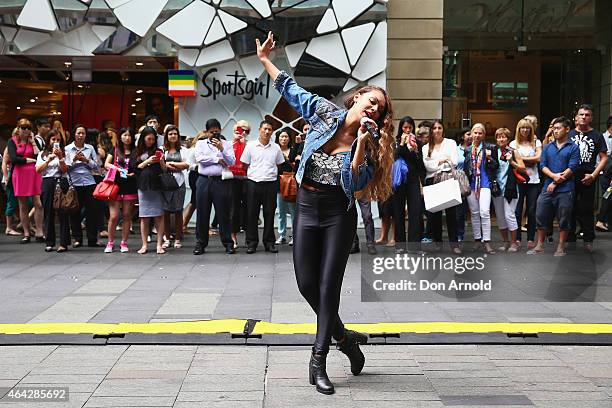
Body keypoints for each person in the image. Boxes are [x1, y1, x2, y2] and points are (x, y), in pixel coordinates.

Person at [257, 31, 394, 395]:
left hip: (338, 214)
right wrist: (265, 59)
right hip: (306, 206)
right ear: (358, 96)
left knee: (328, 285)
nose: (374, 108)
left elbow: (357, 181)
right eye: (371, 100)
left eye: (380, 108)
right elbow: (291, 89)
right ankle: (346, 339)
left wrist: (363, 144)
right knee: (306, 285)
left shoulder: (372, 144)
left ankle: (318, 360)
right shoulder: (322, 113)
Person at [528, 117, 580, 256]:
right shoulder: (548, 147)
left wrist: (556, 182)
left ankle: (561, 246)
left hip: (565, 189)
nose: (555, 131)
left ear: (567, 129)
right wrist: (553, 177)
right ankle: (540, 245)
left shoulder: (573, 147)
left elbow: (572, 167)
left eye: (558, 128)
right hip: (547, 187)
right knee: (540, 214)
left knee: (564, 218)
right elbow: (542, 165)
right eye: (554, 128)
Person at [567, 104, 608, 252]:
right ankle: (569, 237)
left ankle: (588, 239)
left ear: (591, 118)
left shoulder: (597, 135)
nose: (584, 117)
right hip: (570, 175)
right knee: (568, 207)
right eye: (581, 114)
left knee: (586, 208)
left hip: (588, 175)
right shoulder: (569, 134)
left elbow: (604, 157)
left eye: (587, 115)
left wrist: (594, 175)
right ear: (576, 117)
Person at [241, 120, 285, 254]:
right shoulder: (250, 146)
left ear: (272, 132)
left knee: (269, 213)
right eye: (265, 129)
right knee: (251, 214)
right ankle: (252, 243)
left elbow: (280, 164)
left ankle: (269, 242)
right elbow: (244, 164)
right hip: (253, 183)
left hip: (270, 184)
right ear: (259, 130)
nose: (267, 132)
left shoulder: (276, 147)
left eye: (269, 129)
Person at [193, 124, 235, 255]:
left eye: (217, 131)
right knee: (202, 213)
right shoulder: (200, 144)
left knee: (223, 213)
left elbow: (231, 161)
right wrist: (217, 159)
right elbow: (200, 159)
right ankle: (200, 244)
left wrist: (222, 149)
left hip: (220, 181)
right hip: (204, 180)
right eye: (212, 132)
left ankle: (228, 243)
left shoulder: (226, 144)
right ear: (206, 132)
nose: (215, 134)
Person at [422, 120, 461, 253]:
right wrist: (442, 160)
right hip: (432, 181)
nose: (437, 130)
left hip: (447, 179)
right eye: (434, 128)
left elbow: (454, 161)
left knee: (451, 214)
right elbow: (427, 166)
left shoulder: (451, 143)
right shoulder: (425, 147)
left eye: (439, 128)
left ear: (443, 129)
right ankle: (438, 243)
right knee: (434, 215)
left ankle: (454, 245)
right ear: (431, 131)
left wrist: (435, 163)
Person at [464, 122, 499, 254]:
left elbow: (496, 167)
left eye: (480, 133)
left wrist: (489, 158)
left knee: (484, 212)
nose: (477, 135)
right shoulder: (467, 150)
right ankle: (477, 240)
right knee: (474, 213)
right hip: (471, 184)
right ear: (471, 134)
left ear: (484, 135)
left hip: (485, 183)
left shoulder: (490, 147)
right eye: (475, 133)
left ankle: (487, 241)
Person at [64, 124, 101, 248]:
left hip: (89, 182)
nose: (80, 135)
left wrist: (86, 160)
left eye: (83, 133)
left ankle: (92, 239)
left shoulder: (90, 148)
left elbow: (96, 166)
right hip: (74, 183)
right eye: (78, 133)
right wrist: (74, 160)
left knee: (92, 211)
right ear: (74, 134)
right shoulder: (68, 149)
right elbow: (65, 168)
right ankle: (77, 239)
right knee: (75, 211)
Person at [392, 116, 425, 254]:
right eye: (405, 127)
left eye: (410, 127)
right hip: (399, 179)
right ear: (401, 128)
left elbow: (419, 165)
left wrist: (415, 150)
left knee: (415, 212)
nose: (407, 130)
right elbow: (394, 156)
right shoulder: (395, 141)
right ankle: (400, 245)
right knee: (398, 212)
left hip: (412, 179)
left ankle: (414, 246)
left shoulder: (417, 143)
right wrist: (402, 144)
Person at [8, 118, 44, 243]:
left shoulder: (33, 141)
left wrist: (33, 141)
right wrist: (29, 160)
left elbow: (39, 155)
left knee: (38, 204)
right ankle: (27, 233)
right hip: (20, 174)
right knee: (23, 205)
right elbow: (14, 158)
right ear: (18, 128)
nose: (26, 130)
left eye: (28, 127)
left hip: (34, 174)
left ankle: (39, 232)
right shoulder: (12, 141)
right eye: (23, 127)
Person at [104, 127, 138, 253]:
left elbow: (139, 166)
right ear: (120, 136)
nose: (127, 138)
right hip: (115, 186)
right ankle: (110, 242)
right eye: (124, 135)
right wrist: (116, 169)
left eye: (129, 135)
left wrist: (134, 174)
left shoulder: (136, 151)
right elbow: (106, 164)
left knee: (127, 216)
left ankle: (124, 242)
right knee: (113, 216)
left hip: (130, 186)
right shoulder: (114, 150)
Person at [36, 130, 70, 252]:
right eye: (53, 139)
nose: (56, 142)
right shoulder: (42, 154)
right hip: (47, 182)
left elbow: (65, 169)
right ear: (48, 140)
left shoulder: (65, 153)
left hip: (61, 181)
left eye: (58, 140)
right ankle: (49, 242)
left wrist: (60, 157)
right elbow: (38, 170)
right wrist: (48, 160)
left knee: (63, 212)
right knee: (48, 212)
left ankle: (63, 243)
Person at [492, 127, 525, 252]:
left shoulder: (513, 152)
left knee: (509, 215)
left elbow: (523, 168)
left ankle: (514, 242)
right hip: (497, 188)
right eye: (499, 137)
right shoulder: (493, 151)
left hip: (510, 188)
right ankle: (505, 241)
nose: (501, 139)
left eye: (504, 136)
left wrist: (512, 162)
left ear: (508, 139)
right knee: (500, 217)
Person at [510, 118, 542, 248]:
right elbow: (513, 162)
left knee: (532, 210)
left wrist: (521, 159)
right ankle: (517, 237)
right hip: (518, 180)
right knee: (517, 210)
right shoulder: (513, 144)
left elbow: (539, 158)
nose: (525, 130)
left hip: (534, 180)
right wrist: (530, 161)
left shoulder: (536, 142)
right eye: (522, 127)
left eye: (527, 128)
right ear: (518, 129)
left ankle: (530, 238)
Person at [135, 126, 166, 254]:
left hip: (157, 185)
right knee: (144, 216)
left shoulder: (158, 150)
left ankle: (159, 244)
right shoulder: (137, 151)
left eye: (153, 139)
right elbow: (135, 168)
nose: (151, 141)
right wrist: (147, 161)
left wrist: (161, 161)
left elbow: (164, 169)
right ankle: (144, 244)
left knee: (159, 215)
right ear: (143, 138)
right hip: (143, 186)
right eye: (149, 139)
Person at [161, 125, 189, 249]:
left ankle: (177, 238)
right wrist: (175, 165)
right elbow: (161, 166)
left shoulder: (183, 149)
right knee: (165, 211)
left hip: (179, 183)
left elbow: (186, 165)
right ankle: (167, 238)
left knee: (178, 211)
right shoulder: (162, 150)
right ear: (166, 136)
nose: (173, 136)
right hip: (165, 183)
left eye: (175, 134)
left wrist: (169, 164)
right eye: (170, 134)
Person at [183, 130, 209, 234]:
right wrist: (199, 165)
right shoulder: (194, 150)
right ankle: (185, 225)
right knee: (197, 201)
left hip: (201, 175)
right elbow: (189, 164)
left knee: (195, 202)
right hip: (196, 175)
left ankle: (184, 225)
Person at [229, 121, 250, 248]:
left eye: (245, 131)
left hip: (247, 178)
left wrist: (244, 143)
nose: (242, 133)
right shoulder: (229, 144)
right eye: (239, 130)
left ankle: (249, 237)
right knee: (233, 208)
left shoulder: (250, 145)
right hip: (232, 178)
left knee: (249, 208)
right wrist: (234, 141)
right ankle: (233, 236)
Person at [275, 130, 296, 246]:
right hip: (278, 184)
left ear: (289, 138)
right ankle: (282, 235)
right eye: (281, 136)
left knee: (293, 211)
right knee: (281, 211)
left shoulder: (293, 150)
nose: (283, 139)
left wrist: (287, 159)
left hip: (290, 183)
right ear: (278, 138)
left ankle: (294, 235)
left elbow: (295, 165)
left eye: (286, 137)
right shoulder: (274, 150)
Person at [596, 116, 612, 232]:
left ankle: (605, 221)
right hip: (604, 173)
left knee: (608, 196)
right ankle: (600, 220)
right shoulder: (602, 137)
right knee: (608, 195)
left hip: (608, 173)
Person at [455, 128, 472, 242]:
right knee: (459, 211)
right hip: (459, 182)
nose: (471, 136)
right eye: (468, 134)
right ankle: (459, 233)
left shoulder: (475, 149)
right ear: (462, 136)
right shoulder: (455, 149)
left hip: (473, 181)